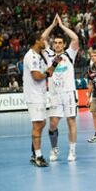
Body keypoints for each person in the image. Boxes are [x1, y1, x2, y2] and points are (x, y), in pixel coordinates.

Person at [41, 14, 79, 162]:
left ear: (63, 45)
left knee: (71, 122)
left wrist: (62, 25)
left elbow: (75, 38)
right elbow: (42, 39)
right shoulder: (49, 54)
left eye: (59, 43)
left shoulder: (69, 54)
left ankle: (72, 151)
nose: (57, 45)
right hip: (55, 94)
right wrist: (52, 25)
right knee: (53, 124)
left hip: (69, 93)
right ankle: (54, 149)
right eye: (55, 43)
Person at [23, 32, 60, 167]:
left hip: (40, 94)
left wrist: (55, 64)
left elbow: (48, 72)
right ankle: (37, 156)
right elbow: (37, 76)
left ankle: (35, 153)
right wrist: (46, 73)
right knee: (38, 125)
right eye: (43, 39)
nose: (45, 41)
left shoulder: (40, 55)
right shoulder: (31, 56)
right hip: (34, 95)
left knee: (41, 123)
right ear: (37, 41)